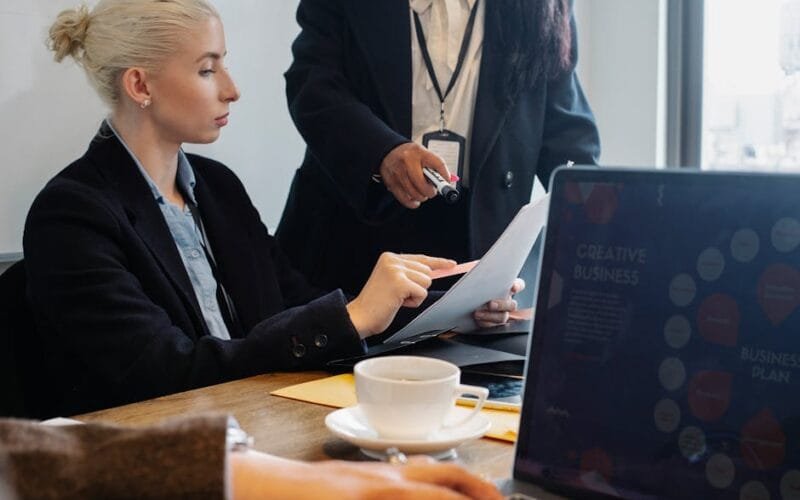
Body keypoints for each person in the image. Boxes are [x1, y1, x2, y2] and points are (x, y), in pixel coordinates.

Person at [23, 0, 522, 416]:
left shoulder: (218, 190)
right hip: (159, 459)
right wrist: (352, 316)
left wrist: (452, 304)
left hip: (257, 427)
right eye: (206, 69)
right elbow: (164, 375)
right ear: (140, 86)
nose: (231, 89)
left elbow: (295, 304)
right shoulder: (71, 216)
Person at [277, 0, 601, 298]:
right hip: (348, 238)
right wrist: (381, 152)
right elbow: (312, 83)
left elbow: (566, 138)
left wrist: (608, 221)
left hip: (477, 251)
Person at [0, 414, 502, 499]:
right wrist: (233, 471)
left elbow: (285, 303)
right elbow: (161, 361)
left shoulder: (219, 189)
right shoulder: (71, 209)